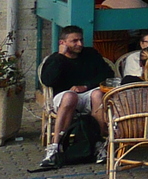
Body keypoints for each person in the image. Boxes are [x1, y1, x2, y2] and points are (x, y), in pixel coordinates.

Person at [38, 26, 114, 168]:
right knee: (70, 97)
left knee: (98, 95)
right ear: (63, 43)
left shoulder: (90, 54)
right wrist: (60, 57)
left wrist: (86, 86)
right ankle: (55, 146)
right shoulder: (55, 59)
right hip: (63, 96)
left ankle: (97, 144)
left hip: (87, 93)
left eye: (81, 40)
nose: (80, 44)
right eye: (74, 41)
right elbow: (48, 81)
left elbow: (107, 74)